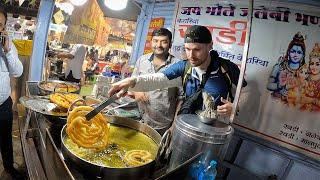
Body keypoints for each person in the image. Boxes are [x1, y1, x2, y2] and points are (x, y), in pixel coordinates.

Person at [108, 25, 246, 120]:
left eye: (197, 49)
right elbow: (158, 78)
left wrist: (236, 107)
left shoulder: (226, 68)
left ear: (210, 46)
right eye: (187, 49)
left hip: (215, 128)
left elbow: (246, 91)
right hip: (186, 123)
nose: (191, 55)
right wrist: (132, 82)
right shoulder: (183, 67)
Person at [130, 28, 182, 134]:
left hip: (163, 126)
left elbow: (181, 99)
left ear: (170, 44)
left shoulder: (178, 66)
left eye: (164, 42)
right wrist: (136, 91)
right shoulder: (142, 60)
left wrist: (173, 127)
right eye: (155, 41)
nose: (159, 45)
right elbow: (132, 83)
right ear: (151, 42)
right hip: (140, 118)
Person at [0, 8, 24, 179]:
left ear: (3, 27)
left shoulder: (8, 46)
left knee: (6, 140)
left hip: (3, 105)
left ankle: (8, 167)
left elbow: (17, 72)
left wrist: (7, 50)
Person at [267, 32, 306, 103]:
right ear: (288, 52)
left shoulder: (304, 71)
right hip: (277, 104)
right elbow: (269, 85)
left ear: (303, 55)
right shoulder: (279, 66)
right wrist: (279, 86)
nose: (295, 55)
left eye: (299, 52)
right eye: (293, 51)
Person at [300, 43, 320, 112]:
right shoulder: (306, 78)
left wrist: (312, 100)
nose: (314, 67)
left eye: (317, 64)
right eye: (312, 64)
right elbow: (300, 97)